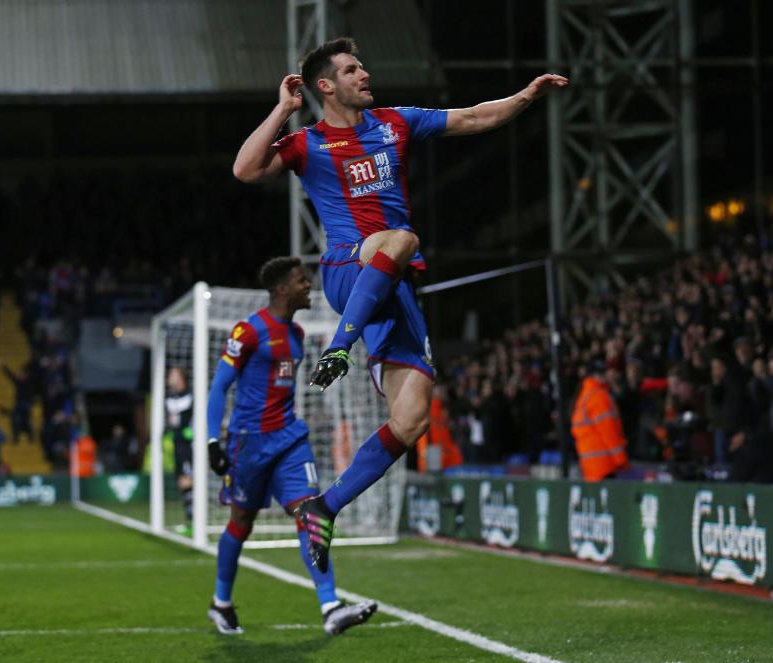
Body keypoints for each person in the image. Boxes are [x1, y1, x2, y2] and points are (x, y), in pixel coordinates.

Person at [232, 37, 567, 572]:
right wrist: (282, 110)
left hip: (396, 290)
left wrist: (527, 94)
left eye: (362, 66)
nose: (364, 74)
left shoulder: (396, 122)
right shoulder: (308, 142)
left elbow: (476, 118)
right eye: (350, 69)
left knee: (411, 420)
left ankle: (324, 507)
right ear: (326, 86)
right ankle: (339, 348)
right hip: (348, 270)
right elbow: (245, 170)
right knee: (402, 238)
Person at [204, 256, 377, 636]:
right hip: (249, 443)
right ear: (282, 289)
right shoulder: (248, 332)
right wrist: (213, 440)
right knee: (241, 522)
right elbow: (219, 386)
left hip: (290, 439)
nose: (308, 287)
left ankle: (331, 606)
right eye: (301, 281)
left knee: (310, 512)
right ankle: (221, 602)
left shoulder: (297, 335)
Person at [570, 360, 629, 482]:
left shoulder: (584, 397)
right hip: (605, 465)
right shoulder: (599, 397)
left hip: (590, 467)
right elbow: (608, 431)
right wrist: (621, 460)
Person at [165, 367, 194, 532]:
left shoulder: (191, 396)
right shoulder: (169, 398)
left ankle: (194, 521)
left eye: (174, 375)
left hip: (189, 445)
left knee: (188, 480)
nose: (170, 378)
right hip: (176, 444)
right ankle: (190, 519)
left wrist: (192, 430)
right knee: (182, 482)